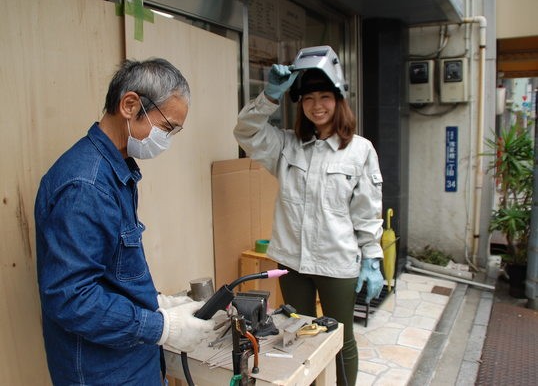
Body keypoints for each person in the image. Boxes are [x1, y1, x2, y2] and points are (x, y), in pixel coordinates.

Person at [34, 58, 214, 385]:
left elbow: (109, 268)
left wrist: (156, 302)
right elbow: (71, 298)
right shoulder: (86, 186)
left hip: (129, 359)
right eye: (167, 128)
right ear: (130, 105)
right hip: (102, 371)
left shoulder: (116, 171)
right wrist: (163, 327)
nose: (168, 140)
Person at [234, 47, 384, 386]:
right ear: (300, 104)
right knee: (301, 335)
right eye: (308, 98)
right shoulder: (287, 146)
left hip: (336, 263)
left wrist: (372, 257)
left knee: (339, 340)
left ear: (339, 99)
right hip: (291, 263)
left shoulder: (360, 150)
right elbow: (246, 132)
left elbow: (366, 211)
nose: (317, 105)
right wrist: (270, 95)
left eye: (325, 97)